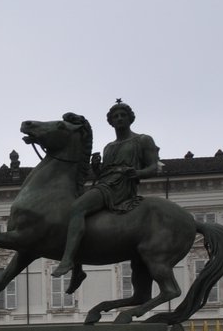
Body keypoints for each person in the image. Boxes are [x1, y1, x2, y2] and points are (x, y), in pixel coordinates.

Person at [54, 99, 163, 292]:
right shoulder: (109, 147)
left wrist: (137, 173)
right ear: (110, 122)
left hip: (121, 187)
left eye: (123, 115)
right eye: (115, 116)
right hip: (105, 183)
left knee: (77, 208)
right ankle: (77, 270)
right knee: (78, 215)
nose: (119, 118)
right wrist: (97, 168)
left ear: (130, 119)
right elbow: (105, 172)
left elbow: (154, 167)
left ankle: (69, 261)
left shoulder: (143, 140)